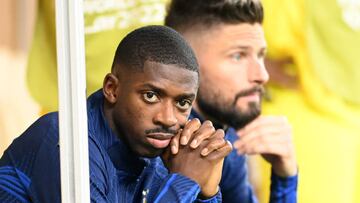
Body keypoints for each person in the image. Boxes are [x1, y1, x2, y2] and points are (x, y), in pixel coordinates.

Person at [0, 25, 233, 202]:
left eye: (182, 102)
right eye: (151, 96)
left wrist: (206, 193)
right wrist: (185, 181)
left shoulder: (161, 149)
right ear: (112, 88)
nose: (168, 118)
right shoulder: (67, 142)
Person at [164, 0, 298, 202]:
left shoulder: (226, 133)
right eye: (238, 56)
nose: (262, 75)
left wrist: (285, 179)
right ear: (184, 63)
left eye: (261, 55)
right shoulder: (148, 146)